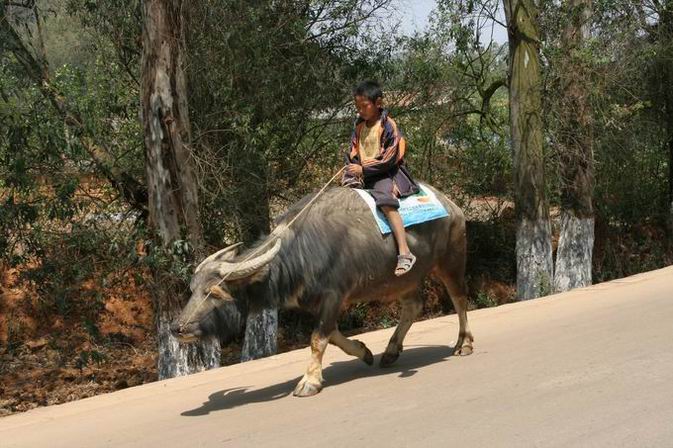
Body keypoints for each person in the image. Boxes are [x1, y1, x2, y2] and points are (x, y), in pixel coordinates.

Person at [342, 80, 420, 276]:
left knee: (386, 201)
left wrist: (363, 169)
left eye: (364, 106)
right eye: (357, 107)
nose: (360, 111)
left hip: (384, 173)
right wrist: (352, 166)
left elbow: (389, 158)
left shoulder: (388, 125)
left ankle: (404, 252)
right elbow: (353, 151)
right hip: (362, 174)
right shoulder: (359, 127)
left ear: (378, 103)